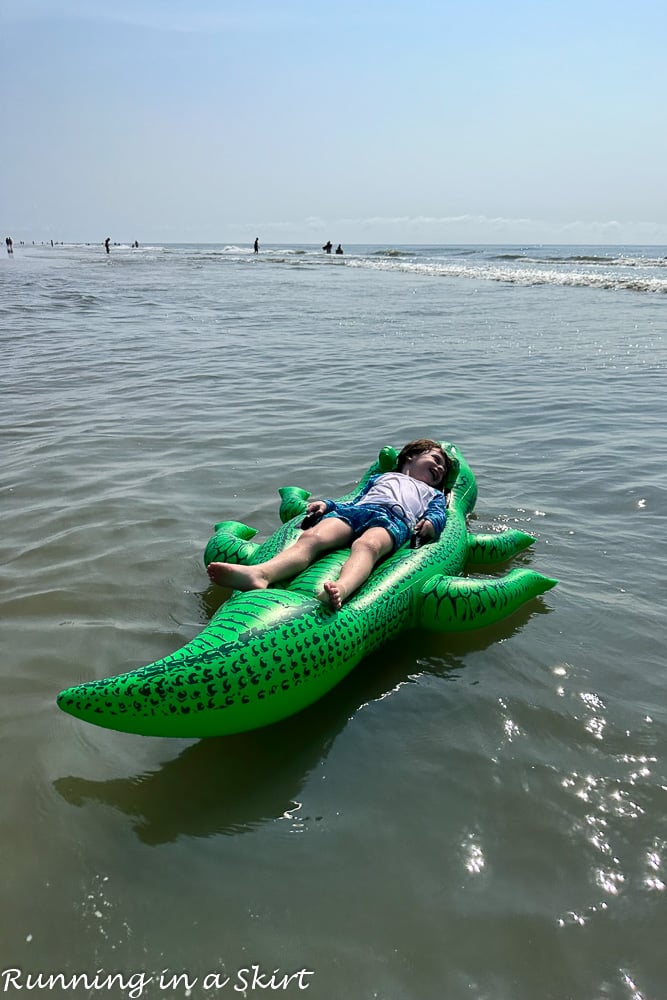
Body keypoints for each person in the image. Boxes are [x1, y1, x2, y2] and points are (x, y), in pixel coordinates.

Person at [207, 438, 451, 610]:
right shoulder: (381, 477)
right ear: (411, 456)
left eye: (443, 469)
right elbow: (355, 500)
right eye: (435, 459)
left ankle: (341, 589)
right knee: (311, 537)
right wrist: (327, 506)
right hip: (358, 512)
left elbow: (438, 514)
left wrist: (430, 524)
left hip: (394, 520)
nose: (440, 467)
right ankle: (260, 574)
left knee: (367, 546)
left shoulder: (433, 493)